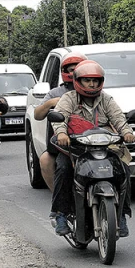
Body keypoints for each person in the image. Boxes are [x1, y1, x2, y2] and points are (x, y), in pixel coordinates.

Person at [51, 60, 135, 238]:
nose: (92, 84)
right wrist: (62, 134)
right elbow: (59, 118)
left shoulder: (106, 99)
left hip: (105, 145)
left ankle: (121, 215)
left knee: (124, 169)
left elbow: (118, 117)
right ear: (77, 81)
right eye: (87, 80)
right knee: (63, 168)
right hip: (76, 147)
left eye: (95, 81)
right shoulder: (69, 98)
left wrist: (127, 132)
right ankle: (61, 214)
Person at [33, 53, 86, 191]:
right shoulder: (55, 93)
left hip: (91, 141)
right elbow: (37, 115)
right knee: (47, 160)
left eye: (78, 69)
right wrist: (50, 103)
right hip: (64, 143)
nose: (74, 72)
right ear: (65, 72)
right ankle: (60, 201)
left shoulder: (95, 91)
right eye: (71, 69)